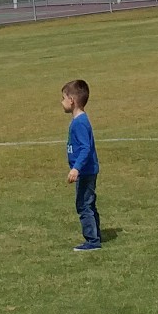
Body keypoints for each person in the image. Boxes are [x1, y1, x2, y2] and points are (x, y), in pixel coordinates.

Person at [62, 76, 100, 251]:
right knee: (88, 203)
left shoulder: (80, 123)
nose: (61, 102)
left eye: (63, 98)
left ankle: (92, 241)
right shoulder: (79, 121)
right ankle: (95, 236)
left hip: (85, 172)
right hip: (86, 171)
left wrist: (76, 168)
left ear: (72, 100)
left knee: (84, 205)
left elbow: (86, 148)